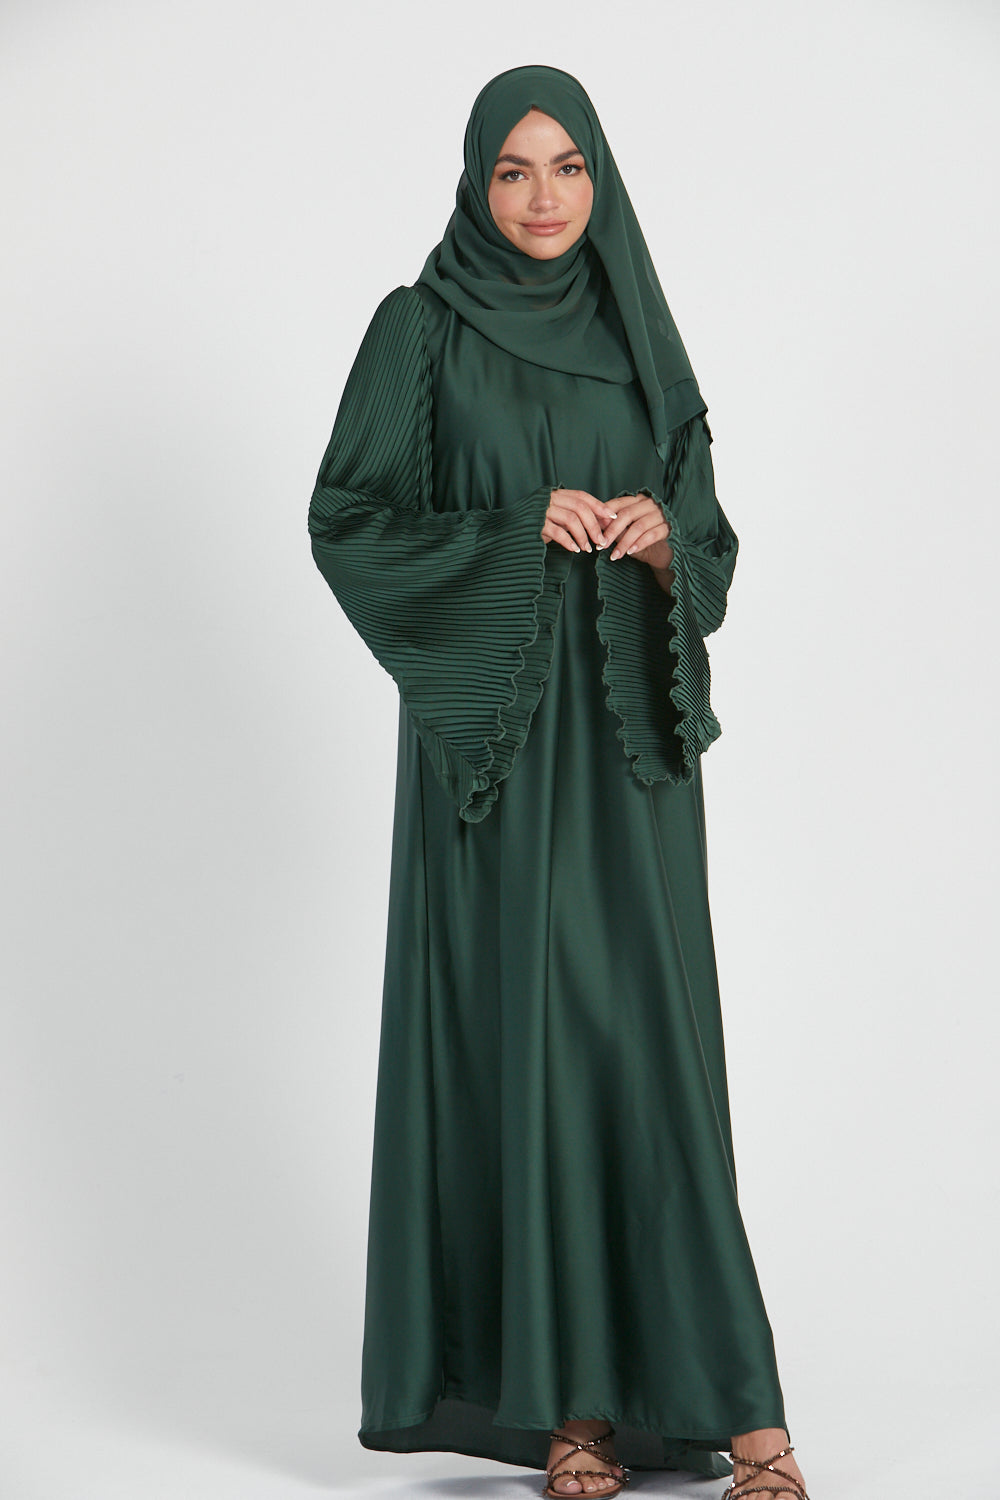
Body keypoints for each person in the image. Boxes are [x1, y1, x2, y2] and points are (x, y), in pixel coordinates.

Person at [307, 64, 810, 1500]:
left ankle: (744, 1406)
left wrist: (662, 544)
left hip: (628, 748)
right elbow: (348, 521)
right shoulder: (418, 330)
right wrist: (515, 527)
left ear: (602, 178)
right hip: (497, 755)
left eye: (569, 167)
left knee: (652, 1047)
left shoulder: (638, 329)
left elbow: (711, 547)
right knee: (527, 1042)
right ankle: (569, 1409)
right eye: (515, 169)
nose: (543, 197)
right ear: (477, 181)